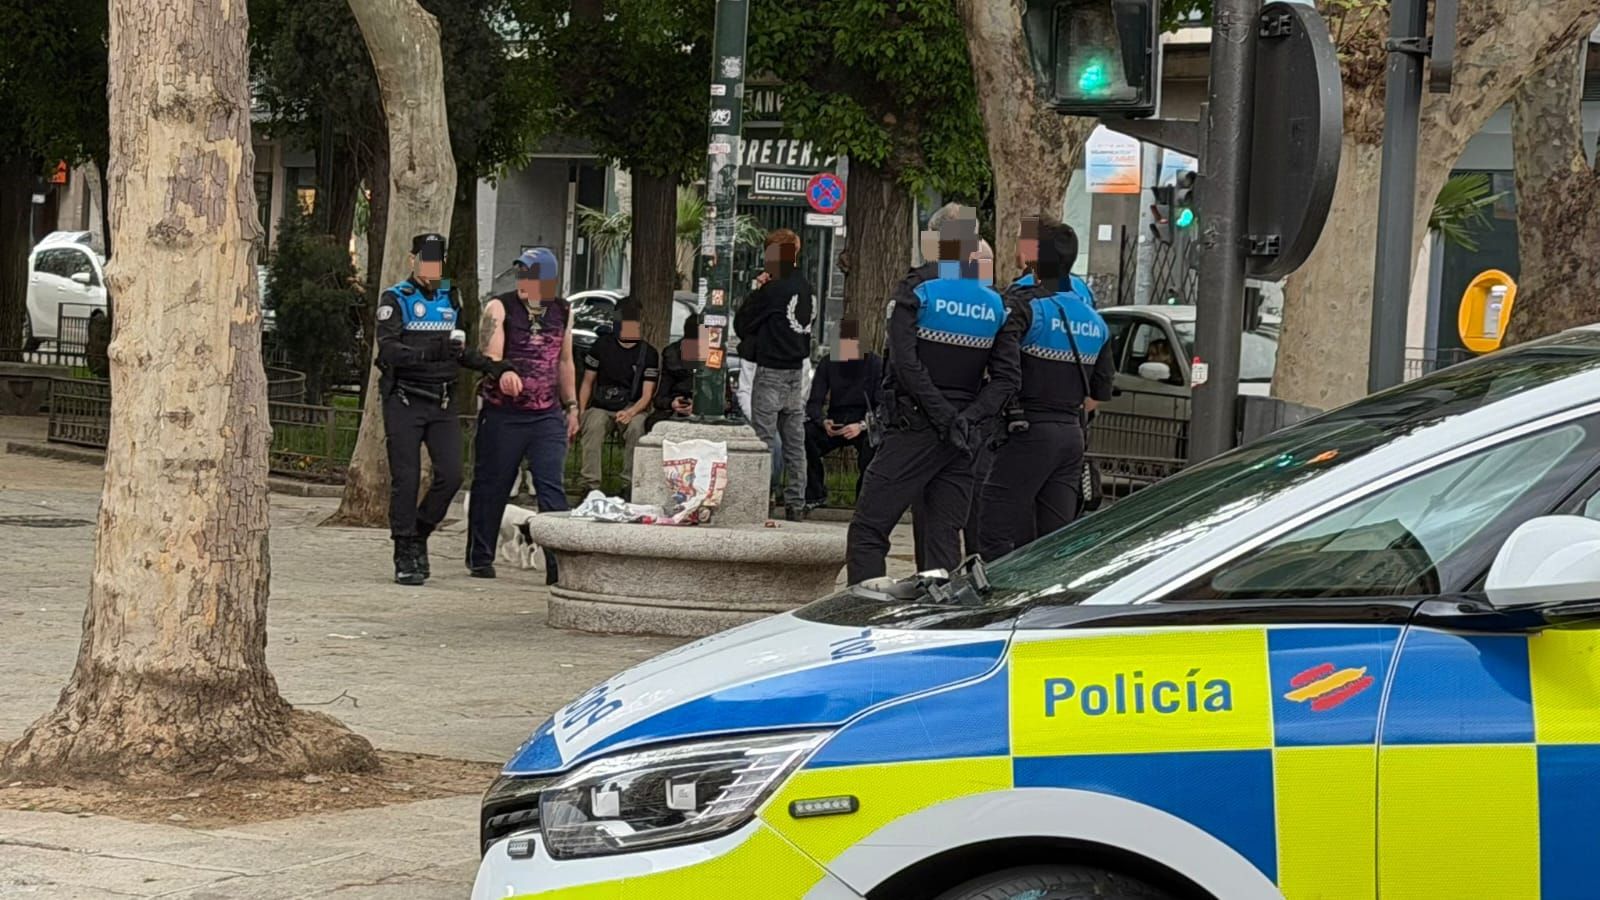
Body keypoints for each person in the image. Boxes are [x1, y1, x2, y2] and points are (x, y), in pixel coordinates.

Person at [847, 210, 1022, 584]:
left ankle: (860, 614)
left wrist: (943, 415)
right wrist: (968, 419)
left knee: (869, 528)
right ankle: (935, 614)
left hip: (914, 426)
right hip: (963, 440)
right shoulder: (995, 303)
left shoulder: (918, 289)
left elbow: (905, 365)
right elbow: (1007, 379)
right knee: (942, 540)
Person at [377, 232, 515, 586]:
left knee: (451, 475)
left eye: (437, 261)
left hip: (441, 399)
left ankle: (420, 532)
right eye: (425, 260)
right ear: (412, 260)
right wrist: (426, 353)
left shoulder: (450, 296)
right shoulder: (396, 298)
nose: (431, 267)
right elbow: (388, 351)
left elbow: (458, 349)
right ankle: (404, 550)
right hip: (404, 398)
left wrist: (492, 366)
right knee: (406, 480)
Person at [979, 218, 1115, 561]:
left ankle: (993, 607)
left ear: (1033, 255)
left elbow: (998, 368)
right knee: (1055, 541)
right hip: (1072, 433)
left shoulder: (1023, 303)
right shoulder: (1092, 317)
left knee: (995, 525)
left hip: (1026, 429)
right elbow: (1100, 389)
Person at [466, 247, 580, 581]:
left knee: (551, 486)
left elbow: (565, 360)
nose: (524, 282)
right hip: (505, 412)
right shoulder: (500, 307)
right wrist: (504, 372)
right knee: (493, 484)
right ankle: (481, 556)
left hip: (546, 413)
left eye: (531, 275)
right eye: (521, 274)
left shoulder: (562, 311)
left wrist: (571, 406)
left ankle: (558, 565)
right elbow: (491, 353)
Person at [735, 228, 816, 520]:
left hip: (770, 371)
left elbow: (743, 322)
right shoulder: (806, 287)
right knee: (795, 442)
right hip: (796, 372)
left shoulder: (772, 290)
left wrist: (757, 289)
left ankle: (763, 497)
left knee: (764, 440)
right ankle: (796, 502)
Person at [578, 297, 659, 497]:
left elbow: (647, 394)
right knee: (594, 423)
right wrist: (580, 412)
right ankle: (590, 485)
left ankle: (629, 485)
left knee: (636, 428)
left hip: (633, 405)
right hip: (601, 405)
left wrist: (630, 412)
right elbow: (587, 382)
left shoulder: (648, 353)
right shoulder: (601, 346)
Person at [804, 318, 882, 511]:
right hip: (836, 420)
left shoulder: (875, 364)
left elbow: (883, 406)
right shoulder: (828, 363)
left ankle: (864, 500)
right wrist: (823, 422)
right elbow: (814, 402)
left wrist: (862, 425)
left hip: (864, 421)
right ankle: (814, 493)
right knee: (805, 436)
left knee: (873, 445)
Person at [649, 313, 699, 430]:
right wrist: (672, 403)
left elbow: (726, 402)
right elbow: (659, 398)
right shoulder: (673, 357)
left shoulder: (715, 358)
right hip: (674, 412)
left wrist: (700, 406)